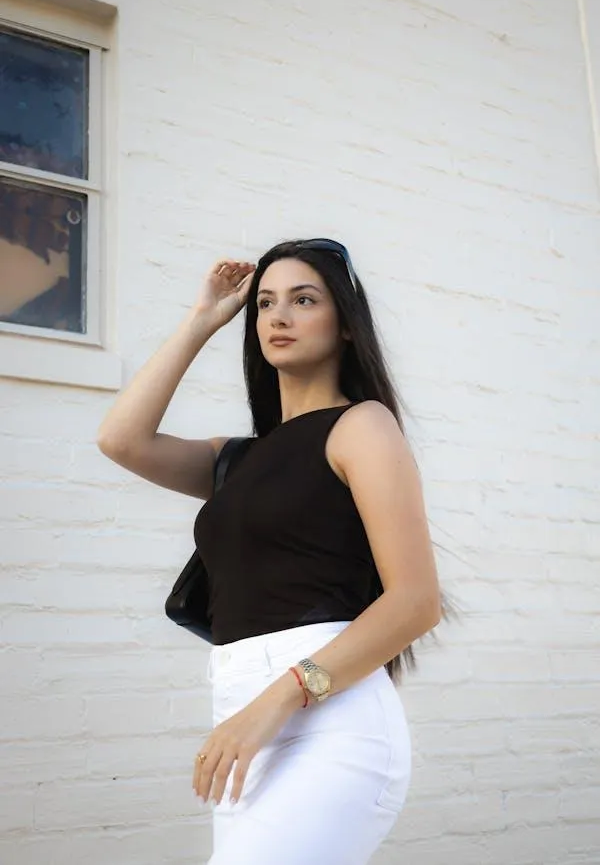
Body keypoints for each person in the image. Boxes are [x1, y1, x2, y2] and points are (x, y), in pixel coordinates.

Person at [97, 238, 442, 864]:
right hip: (241, 726)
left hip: (329, 725)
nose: (278, 317)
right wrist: (203, 321)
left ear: (343, 325)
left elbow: (416, 602)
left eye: (303, 300)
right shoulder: (237, 460)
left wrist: (273, 703)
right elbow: (121, 439)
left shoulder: (360, 426)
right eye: (264, 304)